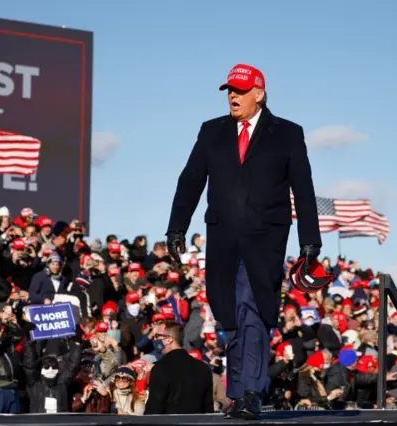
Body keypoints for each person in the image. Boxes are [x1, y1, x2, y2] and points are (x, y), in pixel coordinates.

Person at [166, 64, 321, 419]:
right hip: (222, 239)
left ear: (259, 93)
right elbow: (190, 181)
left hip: (266, 240)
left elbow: (304, 189)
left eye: (239, 90)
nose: (232, 96)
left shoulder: (288, 133)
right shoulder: (212, 131)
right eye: (229, 91)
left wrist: (310, 240)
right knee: (230, 317)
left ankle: (251, 391)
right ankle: (238, 392)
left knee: (253, 311)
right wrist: (176, 227)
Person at [144, 321, 213, 414]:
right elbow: (208, 410)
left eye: (157, 336)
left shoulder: (161, 368)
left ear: (169, 340)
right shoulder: (203, 368)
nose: (154, 340)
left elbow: (154, 408)